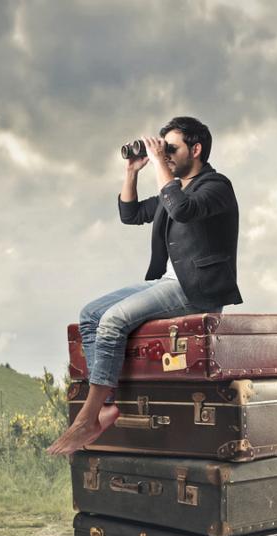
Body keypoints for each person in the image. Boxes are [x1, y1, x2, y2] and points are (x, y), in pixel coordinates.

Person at [46, 116, 242, 456]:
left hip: (197, 290)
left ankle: (88, 417)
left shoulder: (216, 186)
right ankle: (105, 404)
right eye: (162, 148)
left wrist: (158, 165)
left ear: (196, 150)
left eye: (171, 149)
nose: (164, 155)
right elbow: (131, 213)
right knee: (91, 314)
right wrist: (133, 171)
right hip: (170, 284)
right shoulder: (174, 190)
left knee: (113, 321)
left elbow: (182, 209)